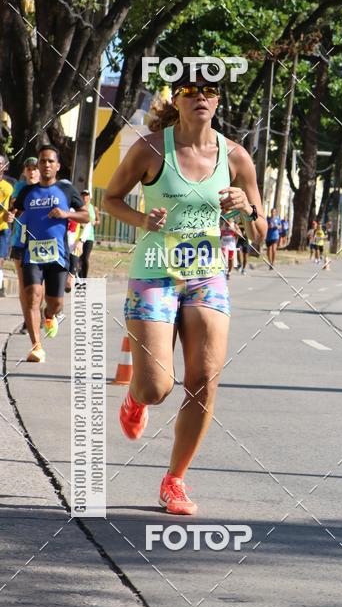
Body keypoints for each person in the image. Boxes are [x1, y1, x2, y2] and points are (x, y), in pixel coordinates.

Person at [103, 74, 266, 515]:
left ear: (218, 100)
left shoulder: (235, 157)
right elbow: (110, 200)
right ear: (176, 99)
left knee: (204, 380)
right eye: (190, 91)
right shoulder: (151, 149)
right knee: (157, 387)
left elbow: (261, 231)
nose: (201, 97)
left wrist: (246, 208)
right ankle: (136, 397)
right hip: (155, 273)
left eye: (209, 91)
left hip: (206, 277)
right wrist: (142, 221)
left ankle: (174, 480)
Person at [13, 146, 89, 361]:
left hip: (58, 255)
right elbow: (16, 212)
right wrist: (12, 217)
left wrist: (65, 214)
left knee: (56, 303)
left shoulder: (66, 190)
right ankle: (36, 347)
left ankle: (49, 314)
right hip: (32, 254)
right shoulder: (27, 192)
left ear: (57, 166)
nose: (46, 164)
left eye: (50, 161)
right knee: (32, 297)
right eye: (42, 161)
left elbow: (86, 216)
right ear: (38, 165)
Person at [9, 158, 39, 330]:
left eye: (35, 168)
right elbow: (14, 208)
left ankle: (39, 313)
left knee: (37, 285)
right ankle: (28, 321)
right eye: (28, 169)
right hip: (20, 241)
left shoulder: (46, 188)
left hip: (40, 242)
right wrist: (11, 215)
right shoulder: (20, 187)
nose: (32, 172)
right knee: (23, 285)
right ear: (24, 171)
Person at [0, 154, 14, 298]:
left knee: (0, 260)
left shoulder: (9, 186)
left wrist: (10, 214)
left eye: (0, 163)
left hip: (3, 228)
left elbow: (12, 206)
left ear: (5, 166)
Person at [78, 190, 96, 277]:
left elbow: (96, 220)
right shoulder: (78, 207)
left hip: (89, 237)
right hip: (78, 236)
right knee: (78, 258)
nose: (84, 197)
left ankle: (84, 278)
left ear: (89, 197)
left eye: (86, 195)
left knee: (85, 258)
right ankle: (79, 278)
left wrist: (95, 222)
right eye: (83, 195)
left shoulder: (93, 208)